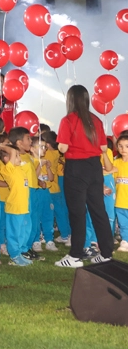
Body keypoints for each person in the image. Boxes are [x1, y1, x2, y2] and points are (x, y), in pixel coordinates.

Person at [55, 85, 115, 267]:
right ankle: (106, 253)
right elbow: (104, 147)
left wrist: (61, 146)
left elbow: (63, 147)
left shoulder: (68, 120)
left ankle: (75, 256)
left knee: (77, 213)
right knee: (98, 211)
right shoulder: (95, 119)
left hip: (76, 168)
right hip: (94, 167)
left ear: (70, 100)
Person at [112, 135, 128, 252]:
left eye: (127, 146)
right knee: (123, 224)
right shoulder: (116, 163)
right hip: (120, 201)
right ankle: (125, 241)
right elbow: (112, 180)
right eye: (120, 146)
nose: (123, 149)